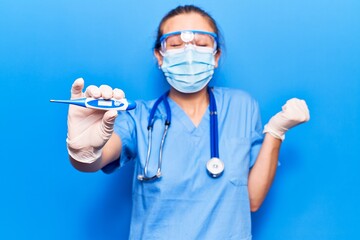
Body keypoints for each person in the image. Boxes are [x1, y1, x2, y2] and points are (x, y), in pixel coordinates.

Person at [66, 5, 310, 240]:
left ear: (216, 56)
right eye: (176, 45)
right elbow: (95, 160)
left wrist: (276, 132)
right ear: (159, 56)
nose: (189, 53)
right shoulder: (138, 115)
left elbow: (253, 200)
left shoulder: (241, 106)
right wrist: (83, 151)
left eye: (201, 44)